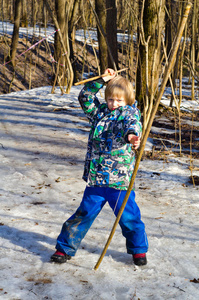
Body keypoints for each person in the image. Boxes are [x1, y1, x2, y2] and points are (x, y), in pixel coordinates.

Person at [51, 68, 148, 266]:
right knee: (83, 214)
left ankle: (138, 250)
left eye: (119, 100)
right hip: (96, 179)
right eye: (111, 99)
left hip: (119, 181)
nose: (114, 104)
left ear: (127, 100)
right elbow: (85, 97)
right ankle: (64, 248)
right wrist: (101, 81)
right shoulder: (100, 113)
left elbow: (132, 125)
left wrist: (132, 137)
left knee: (129, 218)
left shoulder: (130, 112)